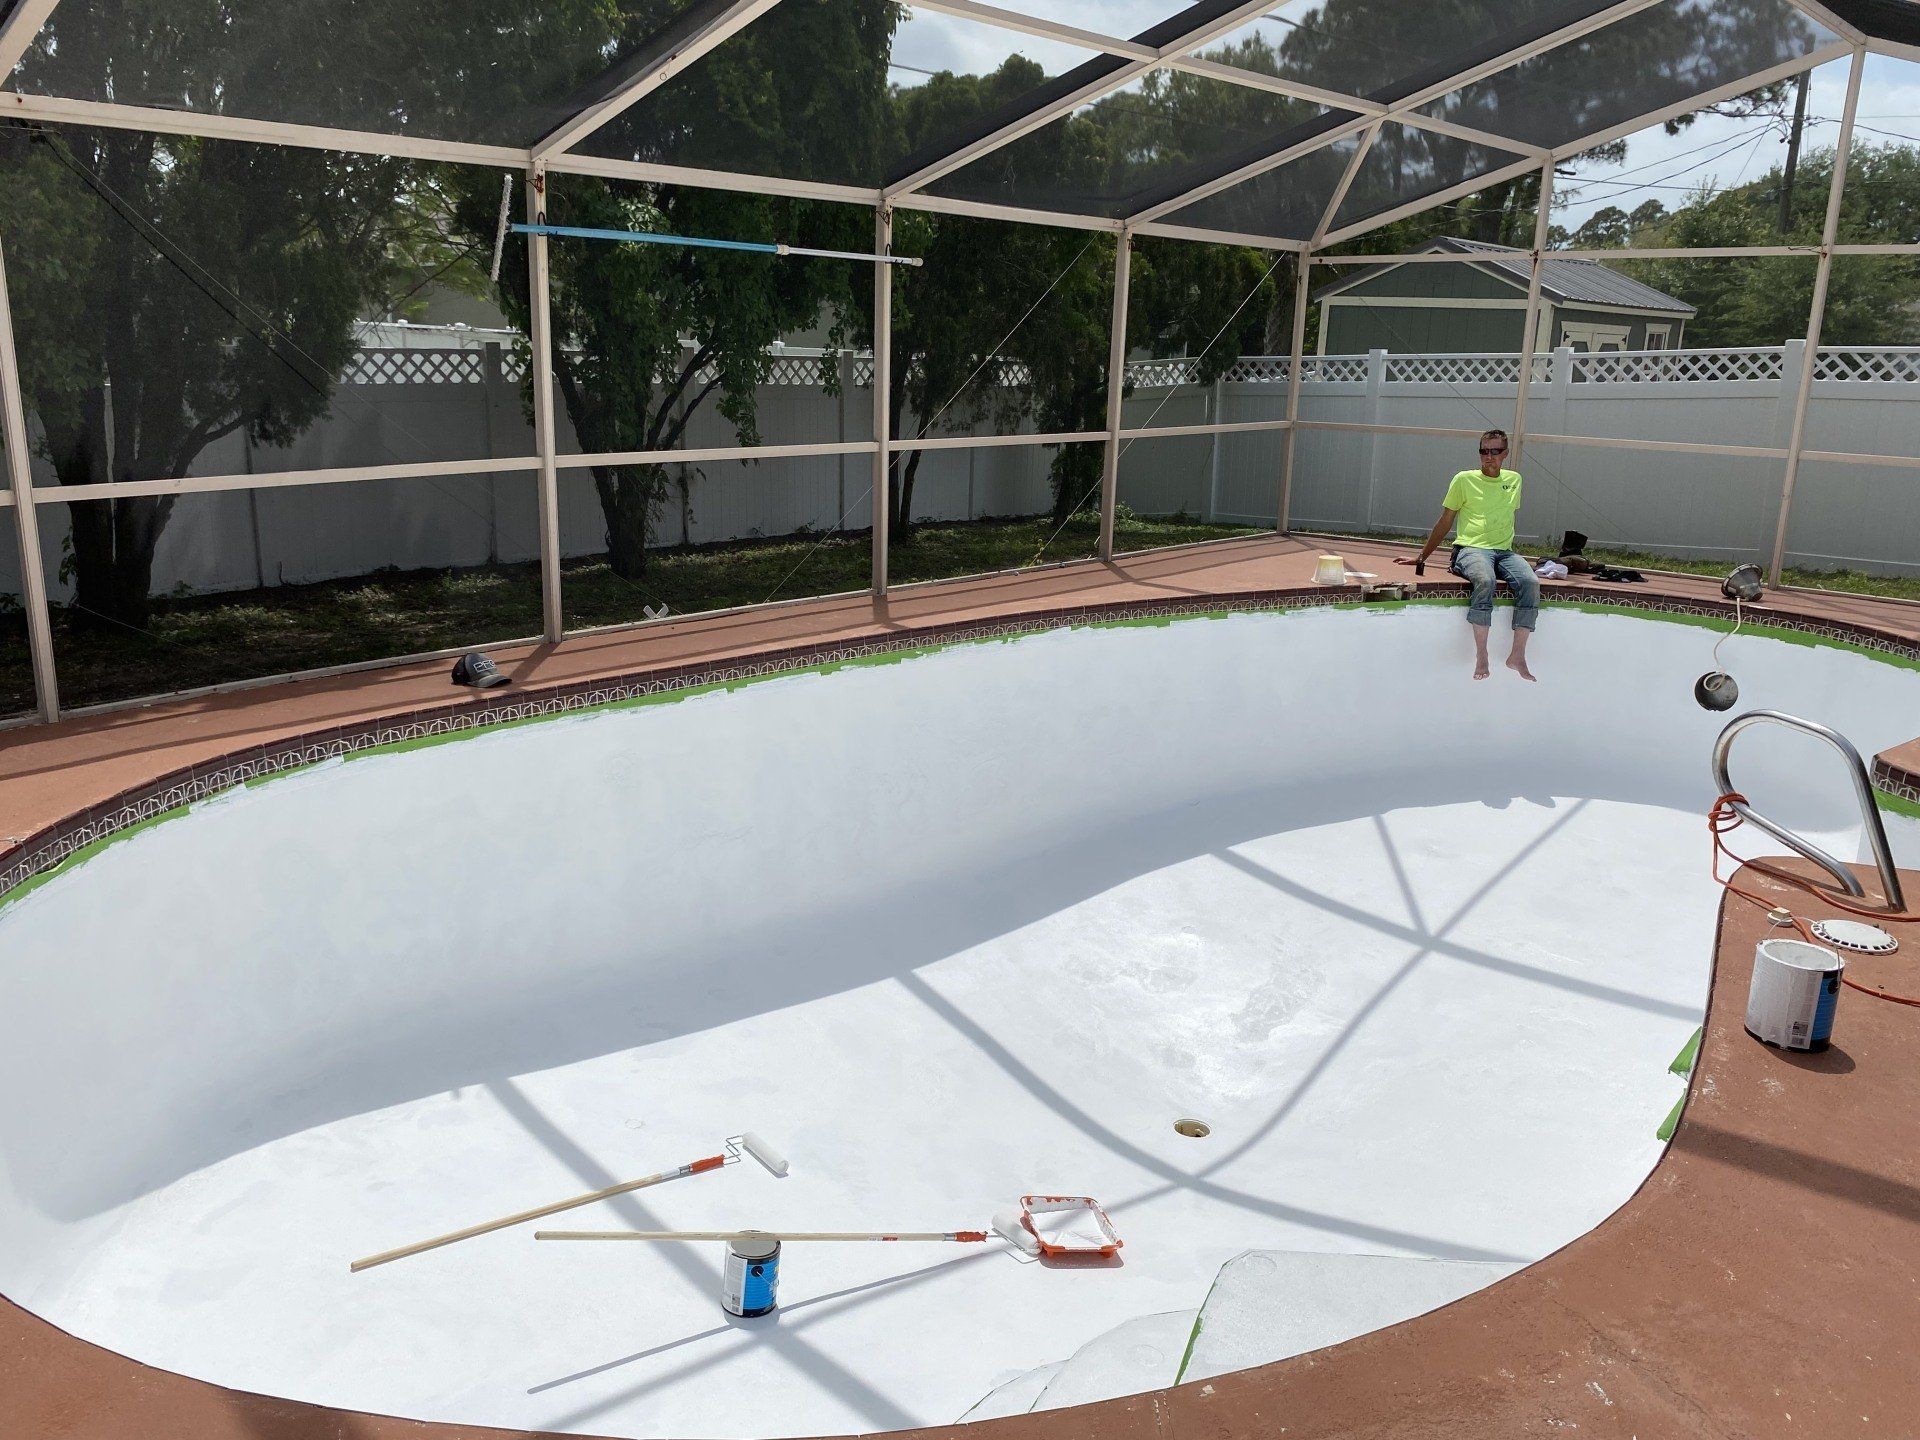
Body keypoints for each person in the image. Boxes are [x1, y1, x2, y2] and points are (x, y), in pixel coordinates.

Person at [1395, 429, 1539, 681]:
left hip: (1504, 552)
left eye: (1495, 451)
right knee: (1485, 581)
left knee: (1530, 582)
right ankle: (1481, 655)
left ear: (1505, 453)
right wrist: (1422, 557)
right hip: (1470, 549)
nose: (1488, 457)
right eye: (1484, 451)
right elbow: (1445, 521)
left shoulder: (1515, 480)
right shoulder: (1463, 480)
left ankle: (1517, 655)